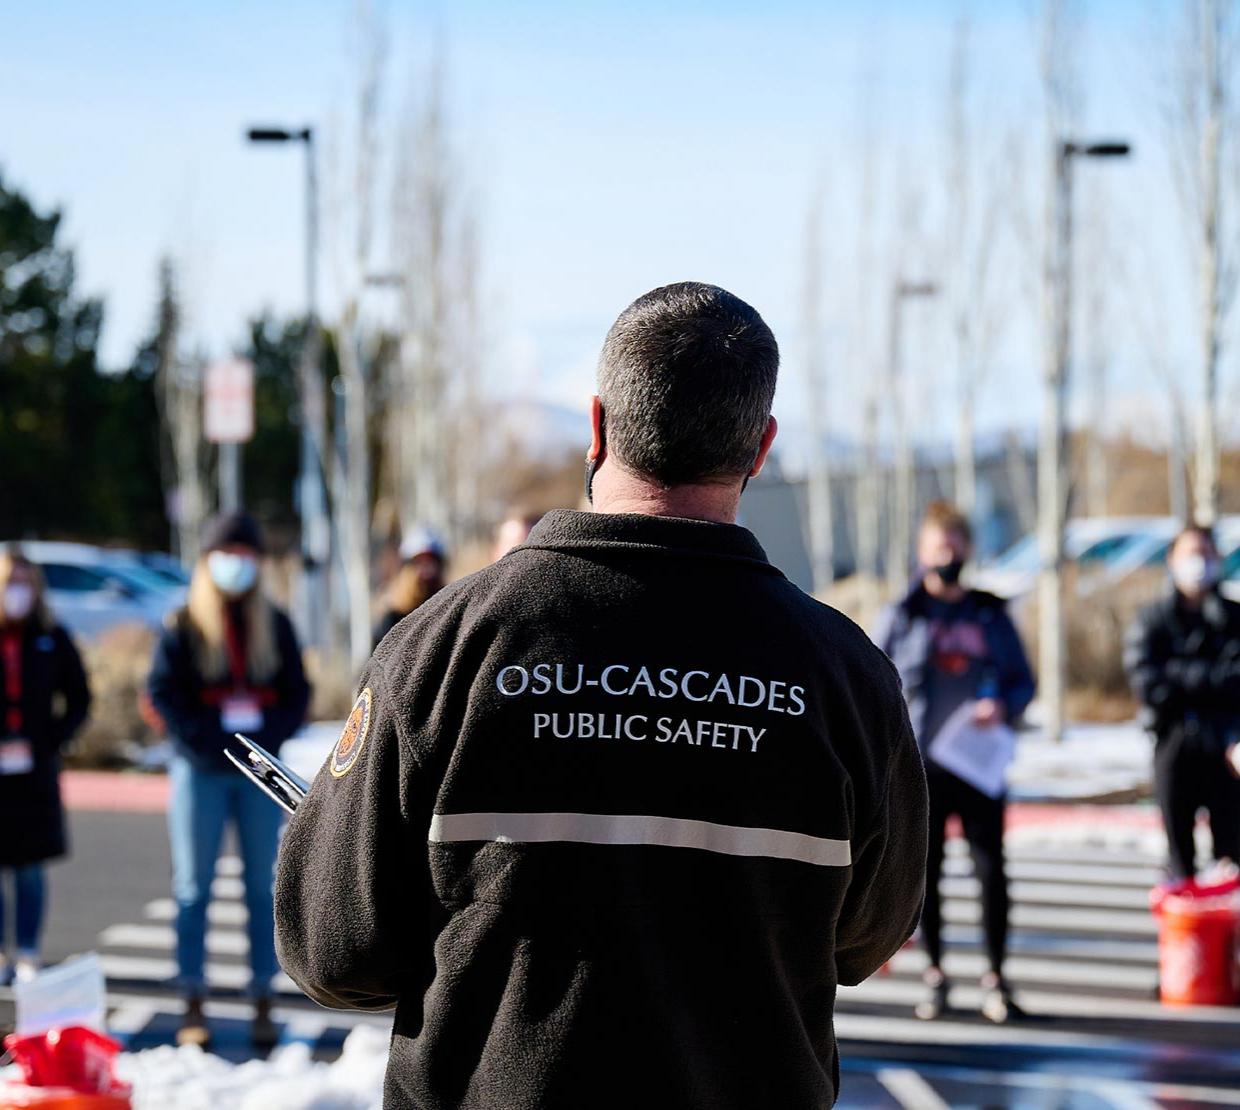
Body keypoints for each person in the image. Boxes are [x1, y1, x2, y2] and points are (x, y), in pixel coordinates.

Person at [275, 282, 928, 1109]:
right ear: (760, 447)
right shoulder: (847, 678)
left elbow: (334, 950)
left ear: (597, 424)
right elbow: (867, 938)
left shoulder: (445, 646)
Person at [148, 512, 310, 1048]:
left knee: (263, 888)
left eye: (246, 556)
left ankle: (263, 996)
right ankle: (193, 999)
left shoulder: (275, 623)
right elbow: (164, 695)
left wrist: (269, 737)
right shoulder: (183, 626)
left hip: (256, 772)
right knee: (193, 888)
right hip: (201, 771)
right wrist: (207, 743)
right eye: (227, 555)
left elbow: (296, 693)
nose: (237, 566)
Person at [876, 500, 1035, 1025]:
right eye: (938, 546)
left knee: (992, 870)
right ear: (922, 552)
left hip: (979, 764)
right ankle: (937, 974)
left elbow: (1022, 680)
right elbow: (876, 679)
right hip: (923, 766)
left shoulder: (989, 612)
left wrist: (1005, 707)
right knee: (928, 874)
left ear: (967, 549)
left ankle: (997, 977)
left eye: (955, 545)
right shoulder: (904, 615)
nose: (947, 555)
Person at [1124, 523, 1240, 881]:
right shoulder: (1152, 619)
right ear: (1172, 561)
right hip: (1173, 742)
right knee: (1180, 860)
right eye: (1190, 554)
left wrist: (1179, 674)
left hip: (1227, 745)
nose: (1199, 563)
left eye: (1205, 554)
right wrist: (1210, 679)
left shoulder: (1234, 618)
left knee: (1232, 858)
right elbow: (1147, 683)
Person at [0, 547, 90, 986]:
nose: (16, 591)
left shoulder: (51, 637)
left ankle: (29, 950)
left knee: (30, 867)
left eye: (23, 582)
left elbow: (79, 696)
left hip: (34, 771)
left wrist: (53, 740)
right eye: (8, 582)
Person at [373, 526, 447, 647]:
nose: (426, 571)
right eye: (419, 563)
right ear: (405, 569)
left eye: (431, 563)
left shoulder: (448, 612)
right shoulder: (391, 621)